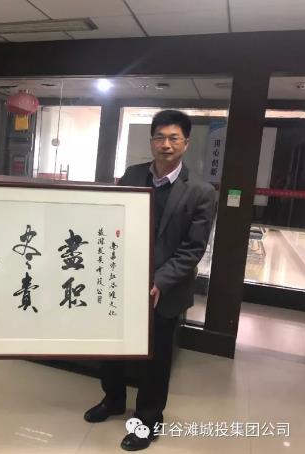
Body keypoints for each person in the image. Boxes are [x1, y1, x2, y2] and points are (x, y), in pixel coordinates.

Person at [84, 110, 216, 451]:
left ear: (186, 143)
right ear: (152, 141)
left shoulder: (201, 191)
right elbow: (114, 219)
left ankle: (147, 420)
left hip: (164, 291)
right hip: (123, 283)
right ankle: (113, 400)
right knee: (113, 349)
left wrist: (159, 280)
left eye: (174, 138)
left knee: (155, 360)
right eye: (160, 137)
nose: (166, 144)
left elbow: (193, 249)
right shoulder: (133, 175)